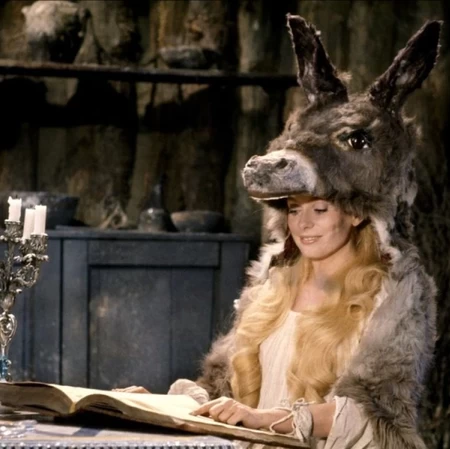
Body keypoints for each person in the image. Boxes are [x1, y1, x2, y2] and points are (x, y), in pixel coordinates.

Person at [116, 193, 387, 448]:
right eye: (294, 210)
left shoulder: (384, 301)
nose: (303, 223)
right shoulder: (270, 290)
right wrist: (158, 408)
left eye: (319, 209)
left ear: (355, 213)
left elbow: (378, 415)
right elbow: (226, 395)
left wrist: (266, 419)